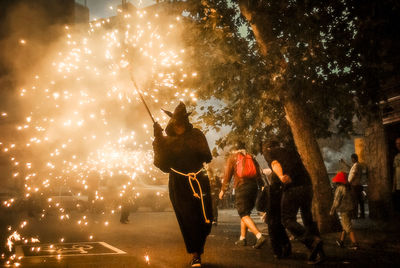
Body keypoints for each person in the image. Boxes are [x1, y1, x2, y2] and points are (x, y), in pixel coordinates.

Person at [152, 102, 213, 268]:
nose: (178, 124)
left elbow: (207, 156)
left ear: (186, 121)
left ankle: (198, 248)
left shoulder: (196, 135)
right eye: (176, 121)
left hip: (199, 180)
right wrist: (158, 138)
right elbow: (162, 164)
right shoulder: (167, 141)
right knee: (188, 218)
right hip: (179, 184)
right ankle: (195, 255)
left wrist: (185, 145)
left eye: (181, 121)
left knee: (205, 219)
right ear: (172, 122)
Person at [262, 140, 325, 264]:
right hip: (307, 186)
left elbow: (275, 164)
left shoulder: (269, 152)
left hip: (293, 188)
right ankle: (320, 253)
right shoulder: (291, 150)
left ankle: (312, 241)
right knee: (308, 218)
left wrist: (281, 176)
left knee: (287, 219)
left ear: (268, 148)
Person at [219, 142, 266, 249]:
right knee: (246, 213)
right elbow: (258, 173)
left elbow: (227, 175)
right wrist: (262, 185)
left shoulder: (233, 158)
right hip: (253, 187)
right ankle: (242, 238)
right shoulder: (251, 157)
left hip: (242, 186)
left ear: (234, 149)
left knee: (243, 213)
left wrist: (223, 190)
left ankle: (259, 236)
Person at [262, 166, 292, 259]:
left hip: (270, 213)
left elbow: (260, 203)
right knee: (281, 230)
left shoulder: (267, 189)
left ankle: (277, 252)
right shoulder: (284, 189)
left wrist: (264, 211)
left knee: (272, 233)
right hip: (280, 213)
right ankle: (286, 246)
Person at [330, 171, 359, 250]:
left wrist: (332, 210)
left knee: (348, 227)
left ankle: (355, 244)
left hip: (344, 210)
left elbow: (336, 201)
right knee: (345, 225)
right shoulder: (349, 187)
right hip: (351, 209)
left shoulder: (339, 188)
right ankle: (341, 241)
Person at [340, 154, 364, 219]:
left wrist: (348, 183)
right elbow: (351, 168)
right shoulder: (357, 165)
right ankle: (362, 215)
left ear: (354, 158)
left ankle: (355, 215)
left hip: (355, 185)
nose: (351, 160)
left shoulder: (356, 166)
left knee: (355, 200)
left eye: (352, 159)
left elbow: (353, 175)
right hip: (357, 185)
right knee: (360, 200)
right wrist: (344, 163)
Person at [393, 137, 400, 213]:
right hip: (398, 186)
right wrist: (393, 186)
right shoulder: (396, 157)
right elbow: (395, 172)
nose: (398, 145)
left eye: (399, 143)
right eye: (397, 143)